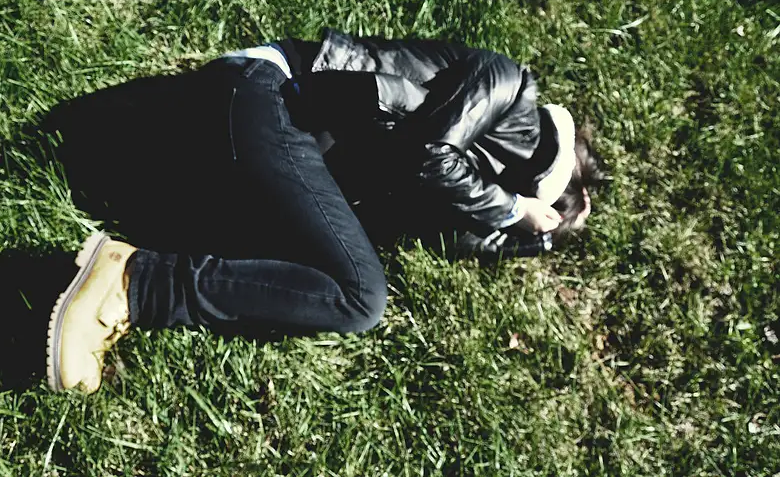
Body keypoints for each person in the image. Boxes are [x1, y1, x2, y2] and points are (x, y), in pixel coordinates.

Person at [46, 29, 603, 393]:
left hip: (258, 138)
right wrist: (513, 211)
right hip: (268, 94)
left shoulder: (469, 176)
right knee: (361, 296)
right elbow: (430, 155)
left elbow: (451, 234)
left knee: (307, 266)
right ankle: (133, 283)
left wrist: (529, 237)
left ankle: (136, 265)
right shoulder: (506, 82)